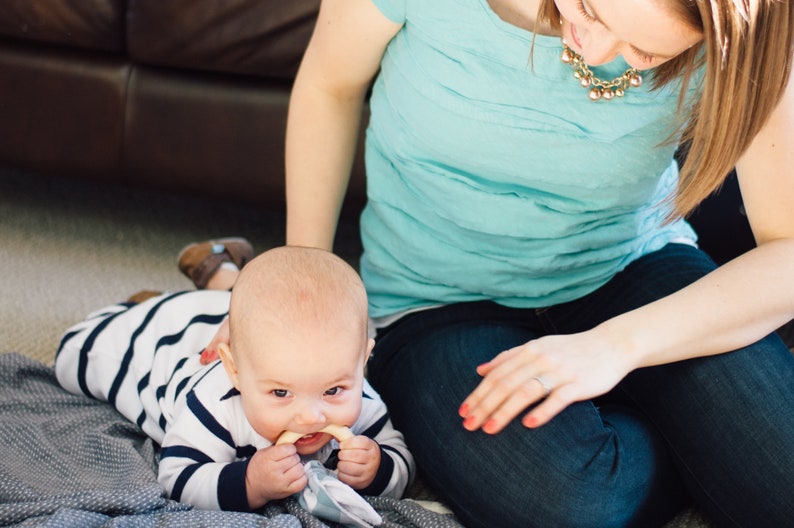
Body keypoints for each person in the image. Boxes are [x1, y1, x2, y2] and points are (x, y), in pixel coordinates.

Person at [199, 1, 793, 526]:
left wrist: (616, 347)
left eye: (645, 51)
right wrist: (304, 281)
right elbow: (330, 85)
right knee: (573, 508)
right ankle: (674, 426)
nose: (598, 49)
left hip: (630, 268)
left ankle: (638, 405)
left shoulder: (752, 31)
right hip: (439, 301)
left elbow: (787, 253)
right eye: (589, 9)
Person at [54, 245, 414, 514]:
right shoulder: (214, 404)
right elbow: (177, 477)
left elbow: (401, 457)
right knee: (72, 358)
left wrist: (379, 468)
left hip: (246, 331)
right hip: (164, 347)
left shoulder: (359, 393)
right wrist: (249, 483)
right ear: (235, 372)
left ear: (362, 360)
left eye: (332, 390)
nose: (311, 417)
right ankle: (144, 305)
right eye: (280, 392)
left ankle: (214, 277)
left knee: (250, 313)